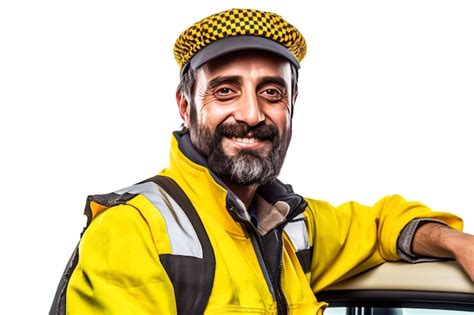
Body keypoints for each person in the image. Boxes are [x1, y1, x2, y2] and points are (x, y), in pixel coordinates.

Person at [50, 8, 473, 315]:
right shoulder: (134, 232)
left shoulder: (289, 226)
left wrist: (455, 243)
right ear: (185, 105)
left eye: (271, 93)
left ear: (292, 105)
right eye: (226, 91)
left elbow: (382, 225)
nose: (252, 115)